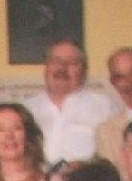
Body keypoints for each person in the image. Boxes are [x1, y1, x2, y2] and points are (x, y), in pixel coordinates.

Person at [25, 38, 114, 167]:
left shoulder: (105, 107)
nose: (62, 68)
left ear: (84, 70)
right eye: (55, 61)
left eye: (72, 63)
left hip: (86, 179)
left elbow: (114, 158)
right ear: (46, 67)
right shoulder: (26, 108)